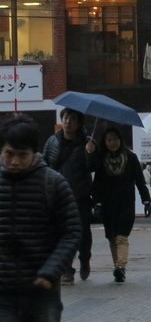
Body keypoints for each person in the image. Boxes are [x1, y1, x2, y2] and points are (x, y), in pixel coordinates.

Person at [0, 114, 82, 322]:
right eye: (8, 154)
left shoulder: (53, 183)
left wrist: (50, 270)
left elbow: (72, 232)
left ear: (35, 153)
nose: (13, 161)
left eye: (21, 155)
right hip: (3, 296)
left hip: (41, 294)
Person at [89, 128, 151, 283]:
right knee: (111, 237)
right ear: (105, 142)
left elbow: (139, 180)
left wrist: (146, 200)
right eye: (109, 140)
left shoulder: (131, 157)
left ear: (120, 139)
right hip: (107, 204)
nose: (112, 143)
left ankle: (120, 267)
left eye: (115, 139)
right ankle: (118, 266)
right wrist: (90, 153)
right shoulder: (101, 158)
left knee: (121, 236)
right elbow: (94, 177)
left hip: (126, 203)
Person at [41, 109, 92, 284]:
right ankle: (67, 270)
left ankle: (85, 259)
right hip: (58, 196)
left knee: (83, 233)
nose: (68, 122)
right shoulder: (52, 141)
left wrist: (91, 154)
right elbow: (44, 165)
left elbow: (94, 168)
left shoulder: (87, 143)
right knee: (62, 234)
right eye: (65, 118)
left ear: (79, 123)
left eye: (72, 119)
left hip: (80, 196)